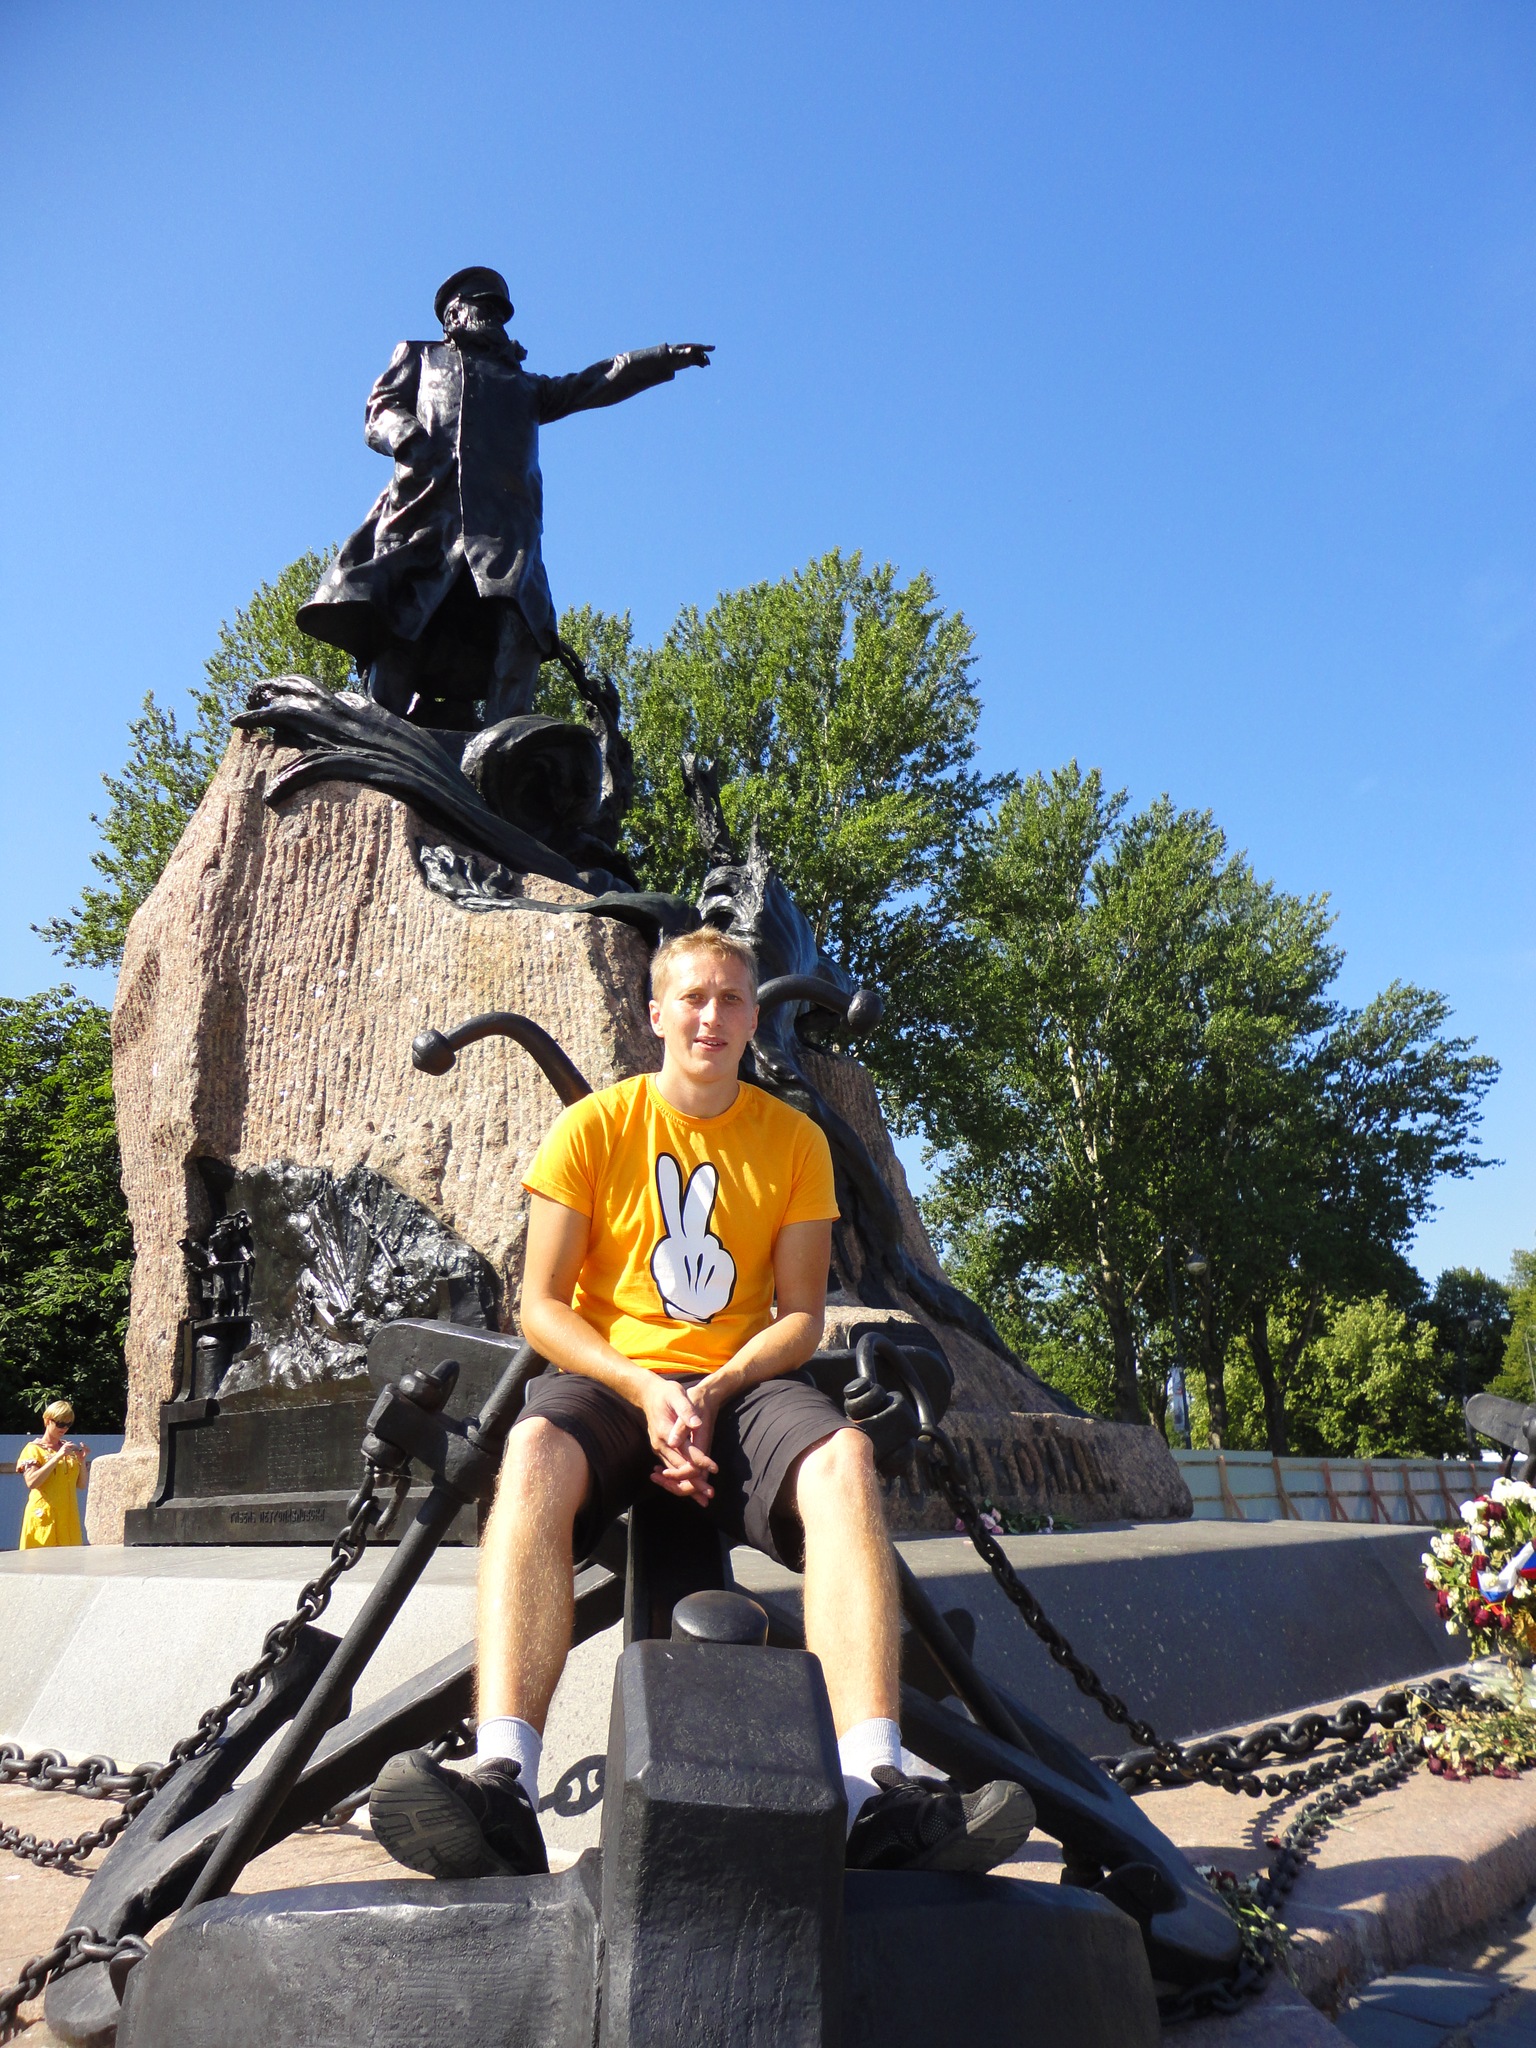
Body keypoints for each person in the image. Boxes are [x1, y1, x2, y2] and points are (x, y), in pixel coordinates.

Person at [369, 925, 1035, 1877]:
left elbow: (800, 1317)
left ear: (754, 1018)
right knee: (533, 1452)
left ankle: (872, 1793)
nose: (711, 1016)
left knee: (844, 1460)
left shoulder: (793, 1142)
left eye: (731, 1000)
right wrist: (644, 1387)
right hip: (613, 1378)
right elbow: (542, 1307)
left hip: (743, 1386)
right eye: (692, 998)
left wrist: (716, 1389)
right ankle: (503, 1778)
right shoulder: (593, 1129)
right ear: (656, 1014)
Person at [296, 266, 713, 729]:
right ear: (454, 313)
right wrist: (406, 434)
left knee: (520, 629)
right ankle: (375, 737)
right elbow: (380, 407)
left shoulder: (525, 386)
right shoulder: (420, 356)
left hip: (504, 533)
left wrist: (663, 358)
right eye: (485, 307)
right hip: (425, 517)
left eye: (499, 311)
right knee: (405, 626)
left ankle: (506, 747)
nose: (494, 318)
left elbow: (597, 381)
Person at [16, 1400, 89, 1550]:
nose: (64, 1428)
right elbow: (31, 1482)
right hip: (44, 1516)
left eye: (68, 1424)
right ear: (48, 1420)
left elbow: (81, 1485)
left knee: (69, 1562)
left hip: (67, 1518)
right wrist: (57, 1457)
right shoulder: (33, 1449)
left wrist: (81, 1462)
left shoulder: (68, 1449)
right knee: (40, 1561)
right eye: (60, 1424)